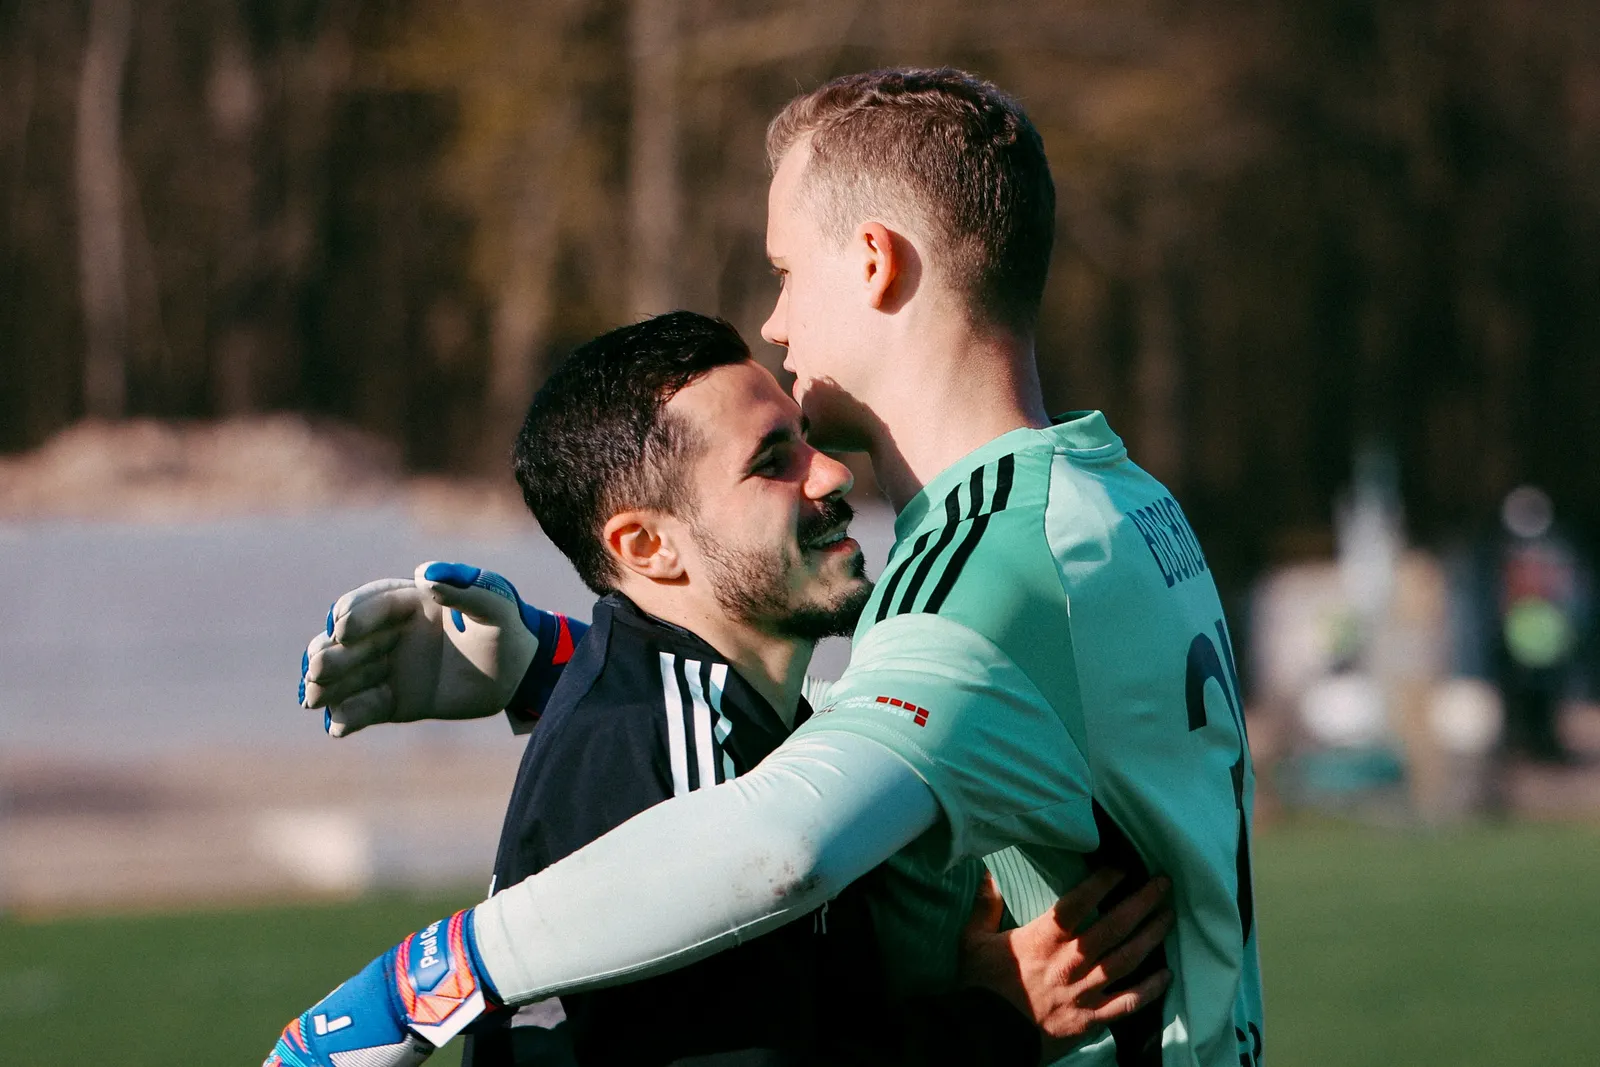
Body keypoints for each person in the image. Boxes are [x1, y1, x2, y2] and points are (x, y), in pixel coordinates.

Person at [272, 67, 1262, 1067]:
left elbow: (782, 842)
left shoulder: (988, 560)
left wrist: (425, 978)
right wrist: (561, 664)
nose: (778, 321)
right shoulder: (1107, 495)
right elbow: (944, 712)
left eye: (786, 270)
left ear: (874, 263)